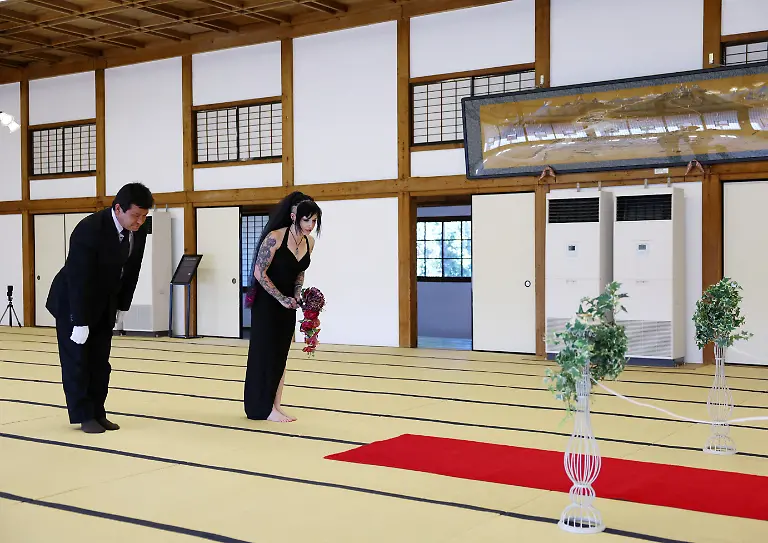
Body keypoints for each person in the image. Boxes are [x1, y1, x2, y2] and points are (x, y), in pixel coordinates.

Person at [46, 182, 154, 434]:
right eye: (135, 215)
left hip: (105, 301)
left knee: (100, 362)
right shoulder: (89, 228)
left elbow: (131, 270)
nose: (140, 221)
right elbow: (78, 277)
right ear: (118, 209)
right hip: (73, 301)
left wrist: (123, 305)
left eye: (144, 216)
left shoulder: (137, 230)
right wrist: (79, 320)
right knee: (77, 361)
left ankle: (98, 412)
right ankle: (84, 415)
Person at [244, 191, 321, 422]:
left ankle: (275, 405)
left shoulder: (309, 242)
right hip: (268, 303)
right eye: (306, 219)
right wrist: (280, 298)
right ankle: (260, 407)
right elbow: (259, 272)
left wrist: (297, 295)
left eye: (314, 220)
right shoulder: (275, 237)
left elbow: (300, 272)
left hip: (288, 303)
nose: (310, 225)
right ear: (293, 216)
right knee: (265, 353)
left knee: (281, 354)